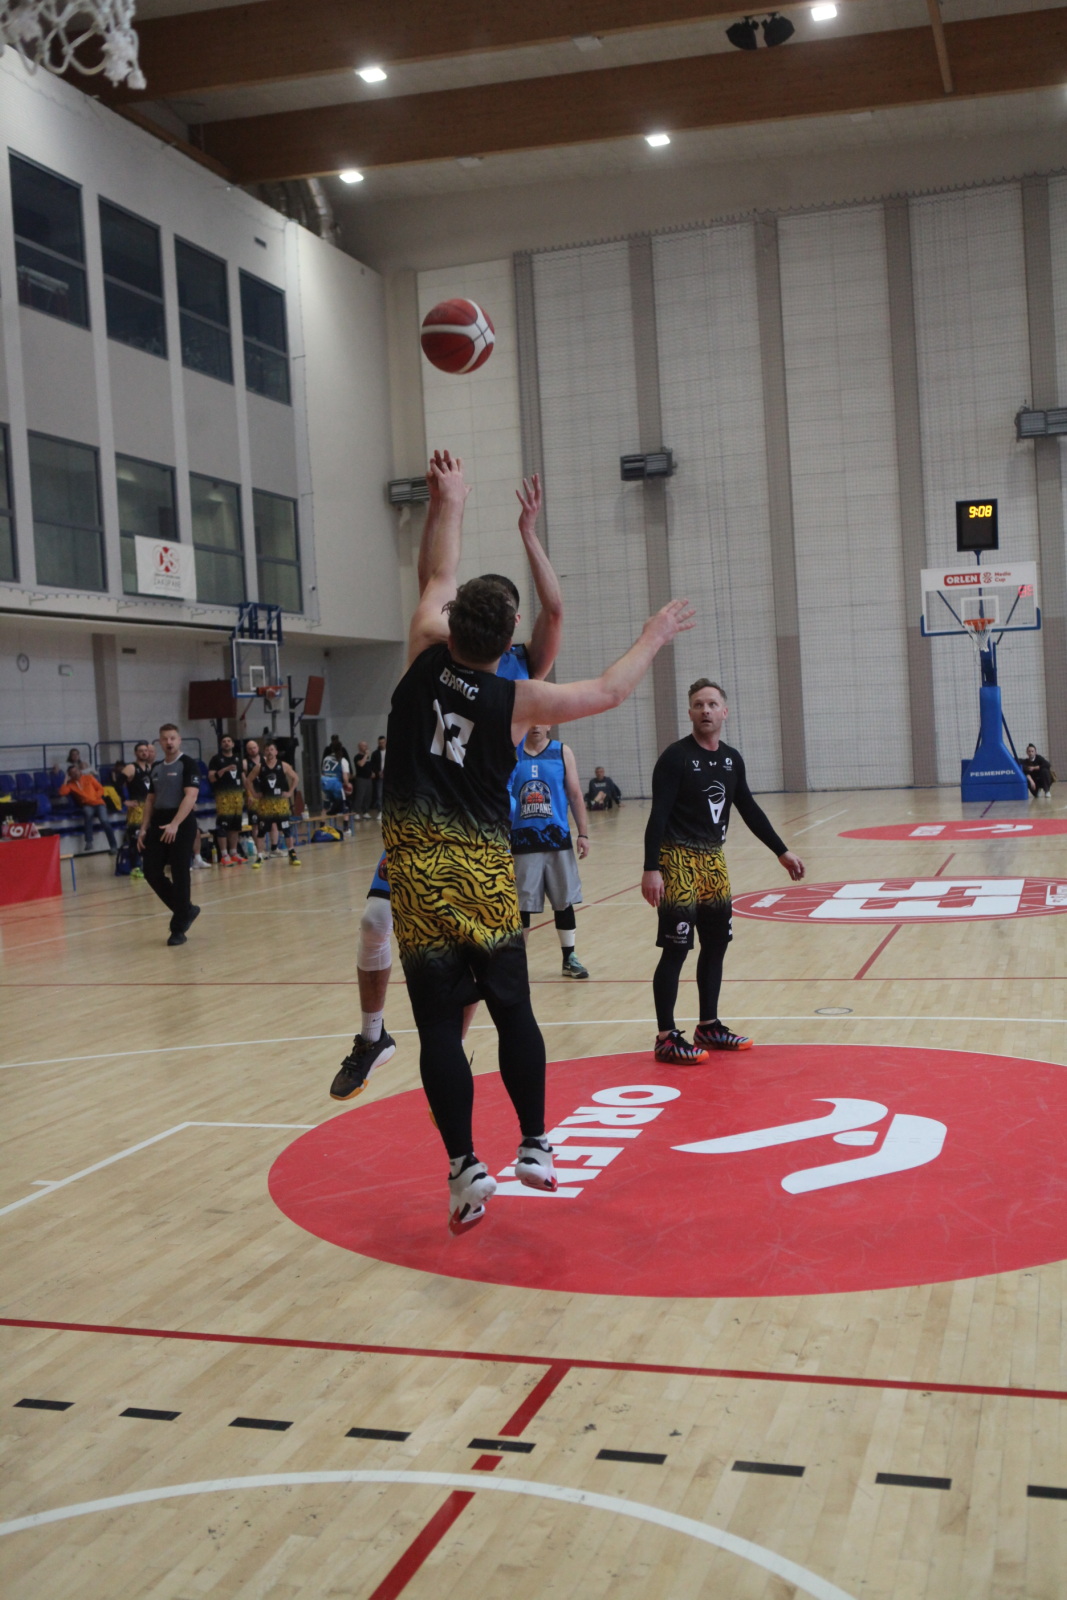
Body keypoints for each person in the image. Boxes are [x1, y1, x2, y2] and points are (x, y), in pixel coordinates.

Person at [375, 450, 693, 1235]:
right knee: (512, 1009)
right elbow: (609, 690)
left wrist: (449, 499)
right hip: (484, 870)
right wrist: (652, 635)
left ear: (453, 621)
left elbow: (436, 572)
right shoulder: (516, 698)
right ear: (510, 634)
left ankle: (463, 1165)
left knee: (438, 1028)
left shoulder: (422, 648)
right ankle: (533, 1145)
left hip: (415, 873)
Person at [331, 465, 562, 1105]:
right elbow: (430, 581)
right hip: (421, 824)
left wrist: (529, 533)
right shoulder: (444, 648)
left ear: (509, 623)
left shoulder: (524, 671)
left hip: (478, 833)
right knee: (375, 919)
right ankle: (373, 1036)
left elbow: (554, 609)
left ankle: (450, 1059)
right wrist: (437, 508)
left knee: (465, 963)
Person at [642, 679, 805, 1064]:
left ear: (724, 712)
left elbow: (748, 808)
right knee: (676, 948)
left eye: (712, 704)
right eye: (699, 704)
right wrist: (651, 868)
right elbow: (657, 816)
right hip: (677, 860)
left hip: (714, 861)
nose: (706, 710)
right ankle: (666, 1036)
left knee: (716, 944)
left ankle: (708, 1025)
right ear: (690, 712)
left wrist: (781, 851)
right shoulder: (675, 757)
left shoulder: (732, 759)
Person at [509, 723, 591, 979]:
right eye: (531, 720)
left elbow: (575, 795)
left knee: (563, 902)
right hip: (521, 841)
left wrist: (583, 833)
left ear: (549, 724)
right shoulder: (513, 752)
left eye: (541, 720)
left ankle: (569, 958)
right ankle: (517, 964)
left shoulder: (562, 752)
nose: (535, 725)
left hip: (557, 839)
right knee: (521, 906)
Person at [137, 723, 202, 946]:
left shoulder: (188, 764)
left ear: (179, 740)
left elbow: (191, 796)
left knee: (179, 872)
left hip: (181, 822)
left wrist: (175, 824)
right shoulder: (156, 767)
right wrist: (144, 828)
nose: (169, 742)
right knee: (151, 871)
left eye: (172, 738)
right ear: (160, 742)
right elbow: (150, 800)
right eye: (165, 739)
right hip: (159, 820)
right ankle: (186, 910)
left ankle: (178, 928)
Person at [248, 741, 301, 864]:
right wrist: (254, 794)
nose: (269, 752)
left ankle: (292, 853)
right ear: (264, 752)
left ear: (276, 752)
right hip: (265, 805)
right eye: (267, 750)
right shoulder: (259, 767)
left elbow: (295, 778)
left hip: (280, 804)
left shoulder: (283, 765)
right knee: (261, 831)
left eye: (272, 749)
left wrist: (290, 792)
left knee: (286, 830)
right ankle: (259, 856)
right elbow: (248, 780)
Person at [59, 751, 119, 855]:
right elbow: (62, 792)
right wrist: (65, 780)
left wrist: (96, 797)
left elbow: (100, 789)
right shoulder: (70, 785)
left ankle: (113, 846)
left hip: (99, 803)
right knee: (87, 814)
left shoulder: (89, 778)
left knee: (105, 821)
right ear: (70, 775)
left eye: (76, 771)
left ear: (79, 771)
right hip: (87, 804)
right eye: (72, 772)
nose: (75, 773)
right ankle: (89, 841)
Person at [118, 740, 155, 879]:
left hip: (149, 806)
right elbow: (117, 784)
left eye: (146, 750)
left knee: (150, 837)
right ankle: (135, 867)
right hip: (137, 808)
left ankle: (148, 864)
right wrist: (124, 800)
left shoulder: (150, 767)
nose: (144, 753)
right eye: (141, 751)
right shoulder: (131, 767)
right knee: (135, 837)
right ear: (136, 753)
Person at [208, 735, 247, 866]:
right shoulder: (216, 759)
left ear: (233, 744)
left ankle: (233, 853)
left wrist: (249, 795)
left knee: (235, 827)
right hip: (223, 798)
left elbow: (243, 778)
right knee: (223, 826)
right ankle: (224, 855)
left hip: (237, 797)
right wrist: (224, 769)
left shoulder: (238, 759)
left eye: (229, 741)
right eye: (224, 741)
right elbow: (211, 778)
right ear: (221, 745)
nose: (226, 743)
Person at [320, 738, 352, 833]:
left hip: (325, 784)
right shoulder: (343, 760)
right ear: (341, 749)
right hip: (336, 785)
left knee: (325, 807)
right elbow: (345, 778)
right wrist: (348, 785)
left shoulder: (326, 758)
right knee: (345, 807)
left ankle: (321, 828)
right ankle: (346, 829)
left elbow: (323, 773)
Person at [369, 735, 387, 816]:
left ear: (385, 742)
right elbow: (372, 765)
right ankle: (380, 810)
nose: (381, 744)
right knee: (379, 794)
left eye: (383, 742)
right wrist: (377, 772)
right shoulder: (375, 754)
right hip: (379, 776)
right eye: (380, 743)